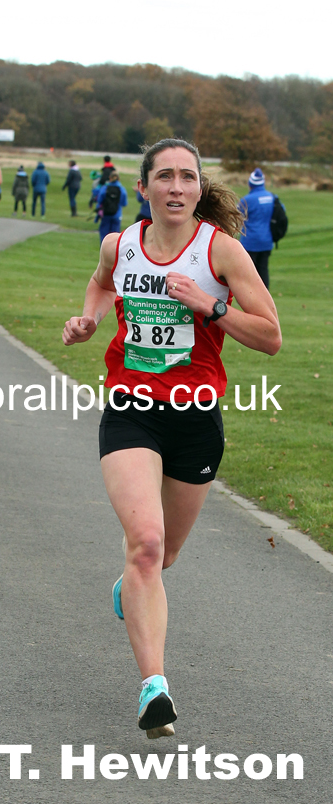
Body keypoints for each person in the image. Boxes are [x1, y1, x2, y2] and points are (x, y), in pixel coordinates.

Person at [62, 138, 281, 739]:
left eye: (188, 177)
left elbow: (269, 337)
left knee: (165, 556)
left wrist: (211, 308)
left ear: (198, 187)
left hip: (195, 414)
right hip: (132, 407)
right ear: (145, 188)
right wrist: (89, 320)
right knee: (147, 545)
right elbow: (104, 284)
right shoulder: (120, 243)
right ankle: (154, 686)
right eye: (165, 176)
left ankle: (131, 585)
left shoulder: (222, 251)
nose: (177, 187)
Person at [238, 168, 276, 290]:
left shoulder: (247, 200)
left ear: (250, 184)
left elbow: (237, 217)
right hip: (266, 241)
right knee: (263, 270)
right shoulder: (272, 197)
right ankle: (266, 300)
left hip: (250, 242)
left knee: (249, 274)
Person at [96, 171, 128, 243]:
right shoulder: (122, 190)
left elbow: (100, 200)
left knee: (104, 235)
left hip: (106, 213)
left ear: (110, 178)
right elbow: (124, 203)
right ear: (119, 179)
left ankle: (104, 251)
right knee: (115, 237)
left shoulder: (105, 188)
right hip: (117, 214)